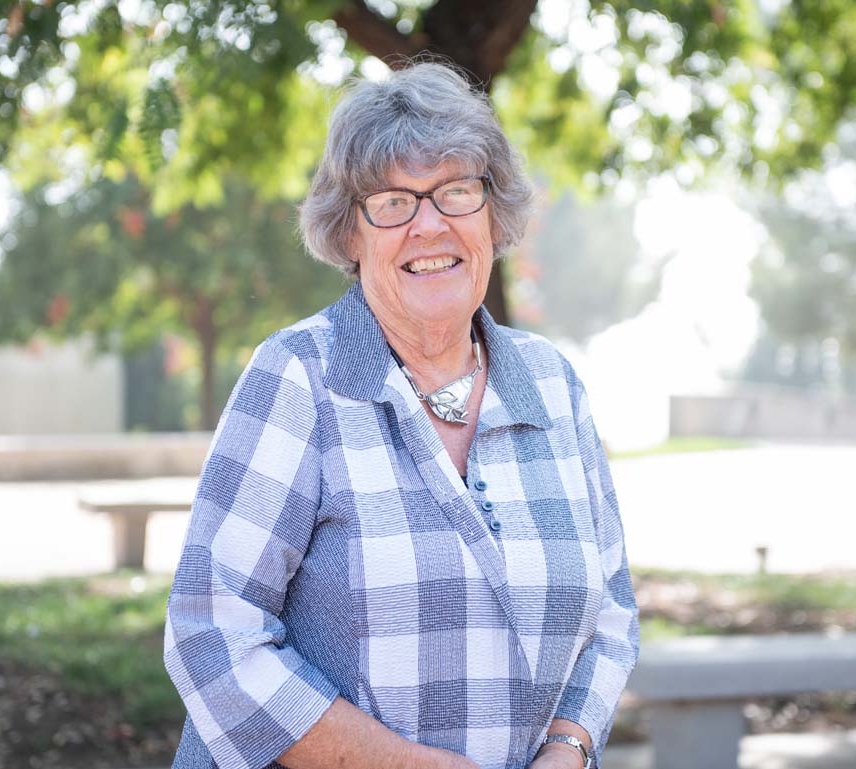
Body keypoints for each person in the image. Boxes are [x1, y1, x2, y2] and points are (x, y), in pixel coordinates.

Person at [164, 62, 639, 769]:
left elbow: (610, 613)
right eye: (392, 201)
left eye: (455, 191)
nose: (428, 224)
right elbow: (211, 632)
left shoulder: (552, 382)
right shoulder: (299, 376)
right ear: (350, 233)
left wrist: (567, 747)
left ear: (492, 212)